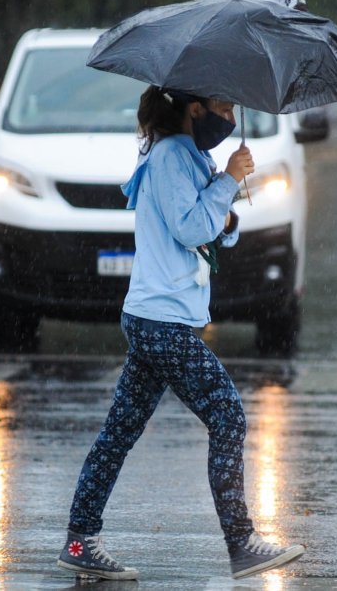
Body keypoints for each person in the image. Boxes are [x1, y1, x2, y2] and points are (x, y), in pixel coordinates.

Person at [56, 86, 305, 581]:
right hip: (160, 320)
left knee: (119, 433)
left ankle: (80, 540)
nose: (231, 116)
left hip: (162, 317)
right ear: (196, 109)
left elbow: (213, 229)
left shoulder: (193, 157)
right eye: (225, 107)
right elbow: (191, 227)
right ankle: (242, 543)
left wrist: (227, 194)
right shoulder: (171, 156)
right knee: (228, 416)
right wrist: (228, 181)